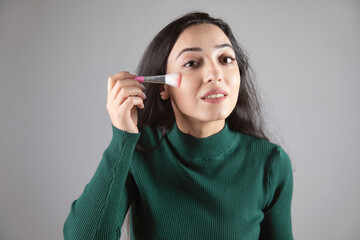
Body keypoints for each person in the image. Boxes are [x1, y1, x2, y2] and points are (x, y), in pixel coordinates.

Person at [63, 11, 293, 240]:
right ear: (163, 87)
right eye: (192, 63)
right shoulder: (138, 151)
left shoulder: (270, 163)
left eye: (225, 59)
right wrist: (122, 137)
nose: (215, 74)